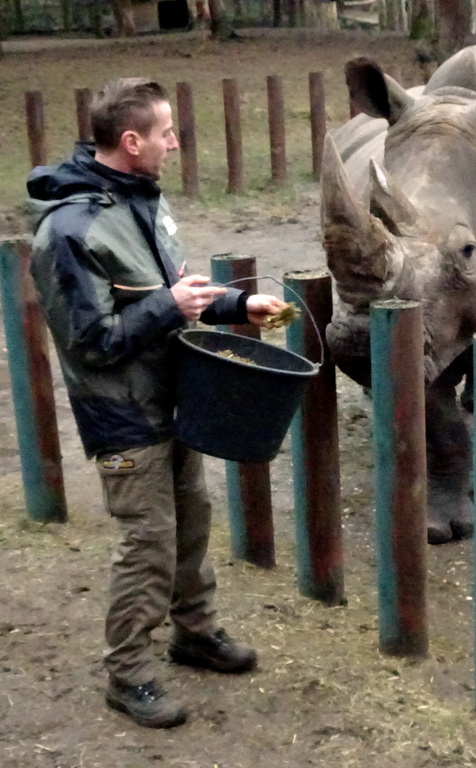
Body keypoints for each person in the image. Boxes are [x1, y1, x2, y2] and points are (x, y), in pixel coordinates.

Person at [27, 78, 287, 730]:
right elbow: (93, 343)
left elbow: (172, 293)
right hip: (120, 412)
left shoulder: (141, 203)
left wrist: (234, 306)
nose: (176, 143)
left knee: (190, 525)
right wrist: (170, 306)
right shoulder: (71, 230)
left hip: (173, 397)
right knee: (146, 543)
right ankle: (129, 673)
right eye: (166, 133)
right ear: (132, 140)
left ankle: (193, 633)